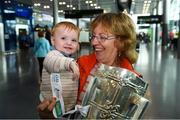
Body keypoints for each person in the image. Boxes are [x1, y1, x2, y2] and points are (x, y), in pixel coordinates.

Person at [37, 12, 141, 118]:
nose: (94, 42)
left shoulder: (132, 84)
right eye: (94, 36)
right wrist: (48, 113)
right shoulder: (80, 64)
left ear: (121, 41)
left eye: (102, 37)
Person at [39, 21, 80, 117]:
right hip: (51, 104)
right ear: (53, 40)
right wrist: (70, 64)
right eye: (63, 38)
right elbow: (52, 62)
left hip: (67, 107)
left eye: (74, 40)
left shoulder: (70, 58)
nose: (69, 42)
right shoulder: (52, 55)